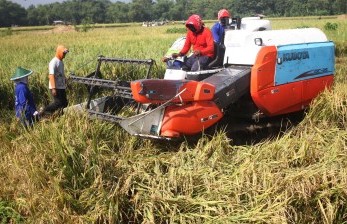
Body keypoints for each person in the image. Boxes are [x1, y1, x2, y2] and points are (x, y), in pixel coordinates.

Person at [40, 45, 69, 116]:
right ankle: (44, 110)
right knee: (58, 103)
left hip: (61, 86)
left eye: (65, 54)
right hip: (56, 87)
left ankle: (60, 116)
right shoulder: (53, 62)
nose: (64, 55)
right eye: (63, 53)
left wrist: (65, 81)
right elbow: (51, 75)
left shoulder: (61, 62)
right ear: (59, 52)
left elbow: (61, 74)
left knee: (65, 103)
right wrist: (53, 88)